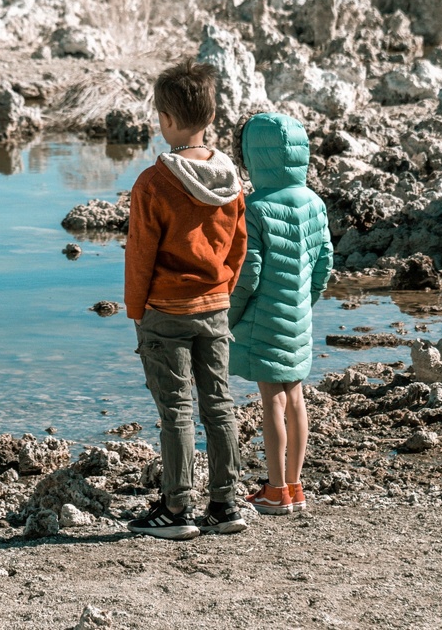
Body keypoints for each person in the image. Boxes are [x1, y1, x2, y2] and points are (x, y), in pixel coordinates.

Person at [123, 58, 249, 540]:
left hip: (165, 312)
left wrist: (137, 311)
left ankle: (177, 510)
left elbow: (140, 257)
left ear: (166, 120)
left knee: (175, 409)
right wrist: (222, 290)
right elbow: (239, 244)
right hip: (215, 306)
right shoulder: (230, 180)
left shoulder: (154, 183)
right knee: (219, 402)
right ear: (212, 118)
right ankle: (225, 503)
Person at [227, 111, 332, 515]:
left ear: (253, 157)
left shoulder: (254, 207)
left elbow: (248, 274)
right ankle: (295, 486)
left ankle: (273, 490)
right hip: (298, 316)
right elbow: (324, 263)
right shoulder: (315, 202)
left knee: (271, 399)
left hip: (262, 320)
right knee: (296, 398)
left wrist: (228, 317)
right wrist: (306, 304)